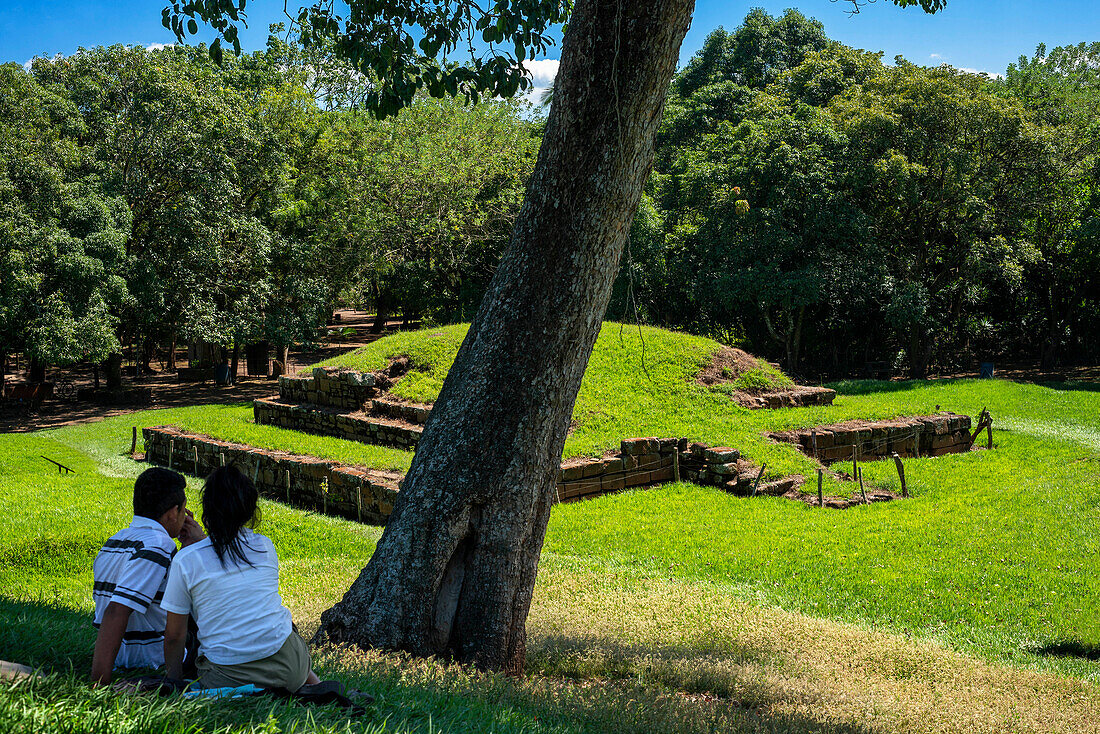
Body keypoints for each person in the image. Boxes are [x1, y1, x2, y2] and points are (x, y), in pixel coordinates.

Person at [161, 466, 320, 690]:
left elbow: (175, 635)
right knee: (280, 621)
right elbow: (228, 564)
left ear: (207, 511)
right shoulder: (265, 546)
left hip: (227, 678)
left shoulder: (186, 560)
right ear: (250, 510)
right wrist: (202, 542)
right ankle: (315, 683)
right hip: (291, 670)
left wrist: (173, 683)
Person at [90, 466, 204, 685]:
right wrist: (100, 682)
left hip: (122, 655)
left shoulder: (114, 541)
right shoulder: (159, 545)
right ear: (173, 512)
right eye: (183, 511)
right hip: (151, 660)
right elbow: (117, 610)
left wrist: (192, 546)